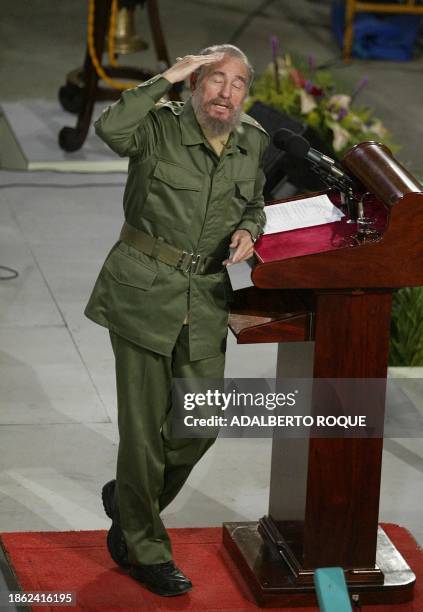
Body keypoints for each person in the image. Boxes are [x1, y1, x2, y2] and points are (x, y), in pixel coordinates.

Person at [84, 43, 269, 597]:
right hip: (144, 289)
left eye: (238, 83)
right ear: (194, 85)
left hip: (206, 297)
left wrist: (250, 231)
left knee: (201, 422)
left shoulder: (252, 142)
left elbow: (254, 203)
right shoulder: (158, 127)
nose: (226, 92)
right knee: (142, 434)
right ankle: (144, 546)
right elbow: (110, 131)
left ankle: (131, 502)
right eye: (215, 79)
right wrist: (167, 75)